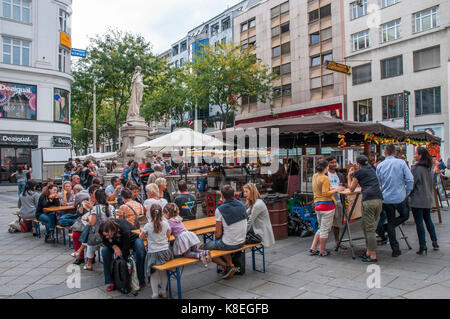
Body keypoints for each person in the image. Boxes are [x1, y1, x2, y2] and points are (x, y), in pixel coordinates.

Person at [201, 185, 248, 279]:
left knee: (202, 248)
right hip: (242, 242)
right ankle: (229, 265)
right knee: (223, 241)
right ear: (233, 194)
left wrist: (216, 242)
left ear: (222, 196)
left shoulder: (220, 209)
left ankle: (228, 266)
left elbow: (217, 233)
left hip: (229, 244)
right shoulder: (241, 205)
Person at [376, 144, 414, 258]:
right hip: (400, 196)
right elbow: (410, 179)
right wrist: (408, 192)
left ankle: (394, 247)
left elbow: (378, 183)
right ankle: (385, 228)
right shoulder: (401, 163)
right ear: (395, 152)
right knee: (405, 215)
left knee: (391, 219)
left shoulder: (380, 166)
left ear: (385, 152)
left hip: (386, 198)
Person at [348, 155, 383, 263]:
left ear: (358, 164)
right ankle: (368, 251)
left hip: (368, 200)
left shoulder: (359, 172)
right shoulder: (372, 168)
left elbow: (351, 188)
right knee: (366, 225)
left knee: (369, 229)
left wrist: (349, 176)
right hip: (379, 200)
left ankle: (373, 255)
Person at [309, 160, 345, 257]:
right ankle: (322, 250)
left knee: (321, 228)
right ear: (326, 167)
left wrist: (334, 189)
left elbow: (321, 190)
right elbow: (325, 193)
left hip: (318, 205)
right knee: (325, 229)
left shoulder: (314, 176)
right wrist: (337, 189)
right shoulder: (325, 178)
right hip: (327, 205)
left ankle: (313, 248)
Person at [100, 219, 146, 292]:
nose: (107, 237)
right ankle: (110, 281)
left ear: (113, 231)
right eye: (105, 235)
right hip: (116, 243)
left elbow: (126, 249)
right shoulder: (104, 227)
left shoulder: (124, 228)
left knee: (141, 249)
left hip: (132, 239)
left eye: (108, 235)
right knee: (105, 251)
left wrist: (123, 262)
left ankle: (140, 279)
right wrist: (114, 246)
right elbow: (103, 240)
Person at [140, 204, 173, 299]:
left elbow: (141, 237)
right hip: (165, 253)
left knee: (154, 274)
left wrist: (143, 231)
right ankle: (163, 292)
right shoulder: (166, 224)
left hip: (153, 254)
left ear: (150, 214)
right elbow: (168, 235)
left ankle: (155, 294)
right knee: (163, 273)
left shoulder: (148, 226)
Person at [410, 147, 439, 255]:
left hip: (418, 199)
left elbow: (412, 184)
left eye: (416, 154)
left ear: (420, 155)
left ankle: (423, 245)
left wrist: (408, 192)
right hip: (427, 198)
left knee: (419, 223)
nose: (414, 155)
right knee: (428, 220)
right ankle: (434, 241)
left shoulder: (416, 168)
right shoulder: (429, 167)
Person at [77, 189, 114, 271]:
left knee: (90, 245)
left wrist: (87, 220)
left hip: (99, 233)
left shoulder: (96, 208)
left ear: (97, 198)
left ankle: (89, 264)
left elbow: (93, 223)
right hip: (110, 232)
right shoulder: (111, 207)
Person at [243, 183, 275, 248]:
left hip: (261, 233)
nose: (244, 194)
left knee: (238, 240)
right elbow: (245, 214)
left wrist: (242, 234)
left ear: (252, 192)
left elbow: (250, 222)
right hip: (257, 230)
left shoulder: (258, 204)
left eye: (246, 191)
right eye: (244, 191)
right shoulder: (255, 202)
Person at [326, 156, 348, 251]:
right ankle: (321, 246)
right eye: (332, 162)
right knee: (326, 225)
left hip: (339, 201)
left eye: (335, 162)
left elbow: (343, 185)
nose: (334, 164)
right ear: (327, 164)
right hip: (328, 202)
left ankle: (337, 242)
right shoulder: (325, 175)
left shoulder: (339, 175)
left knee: (337, 224)